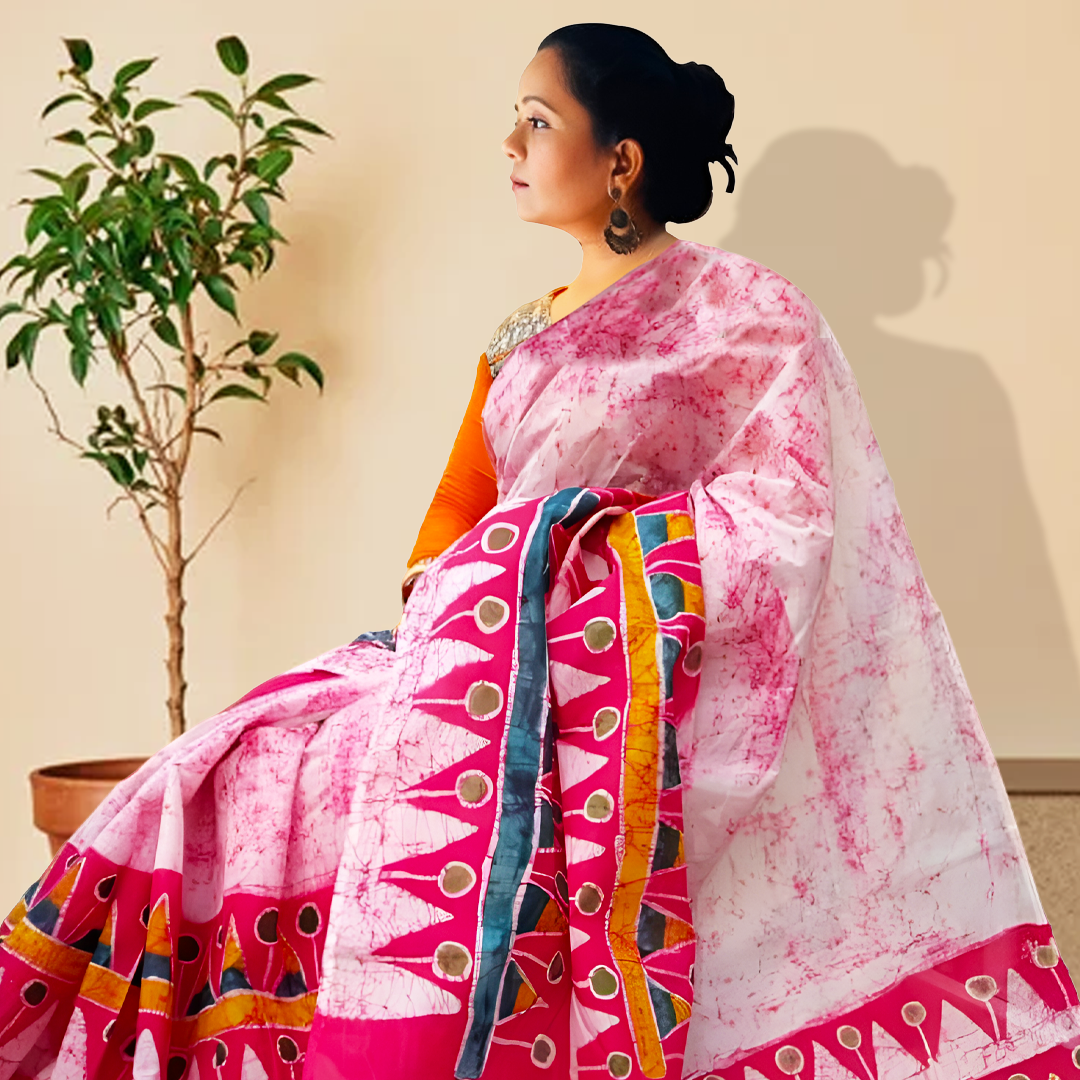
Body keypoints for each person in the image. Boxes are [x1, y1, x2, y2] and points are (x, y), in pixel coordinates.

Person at [0, 22, 1074, 1080]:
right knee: (237, 759)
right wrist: (473, 592)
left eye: (537, 121)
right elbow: (455, 519)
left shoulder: (750, 316)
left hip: (639, 674)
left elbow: (789, 518)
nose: (509, 146)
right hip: (479, 655)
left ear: (621, 160)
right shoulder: (520, 335)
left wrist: (580, 560)